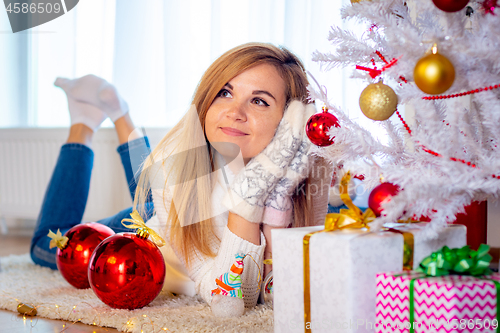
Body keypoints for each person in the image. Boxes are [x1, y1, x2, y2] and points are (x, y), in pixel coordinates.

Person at [30, 42, 332, 313]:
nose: (234, 112)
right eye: (225, 93)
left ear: (289, 121)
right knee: (47, 243)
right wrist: (250, 193)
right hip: (160, 230)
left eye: (259, 101)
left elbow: (281, 281)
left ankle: (119, 111)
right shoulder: (177, 172)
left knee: (153, 187)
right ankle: (83, 126)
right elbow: (230, 297)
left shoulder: (308, 167)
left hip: (176, 201)